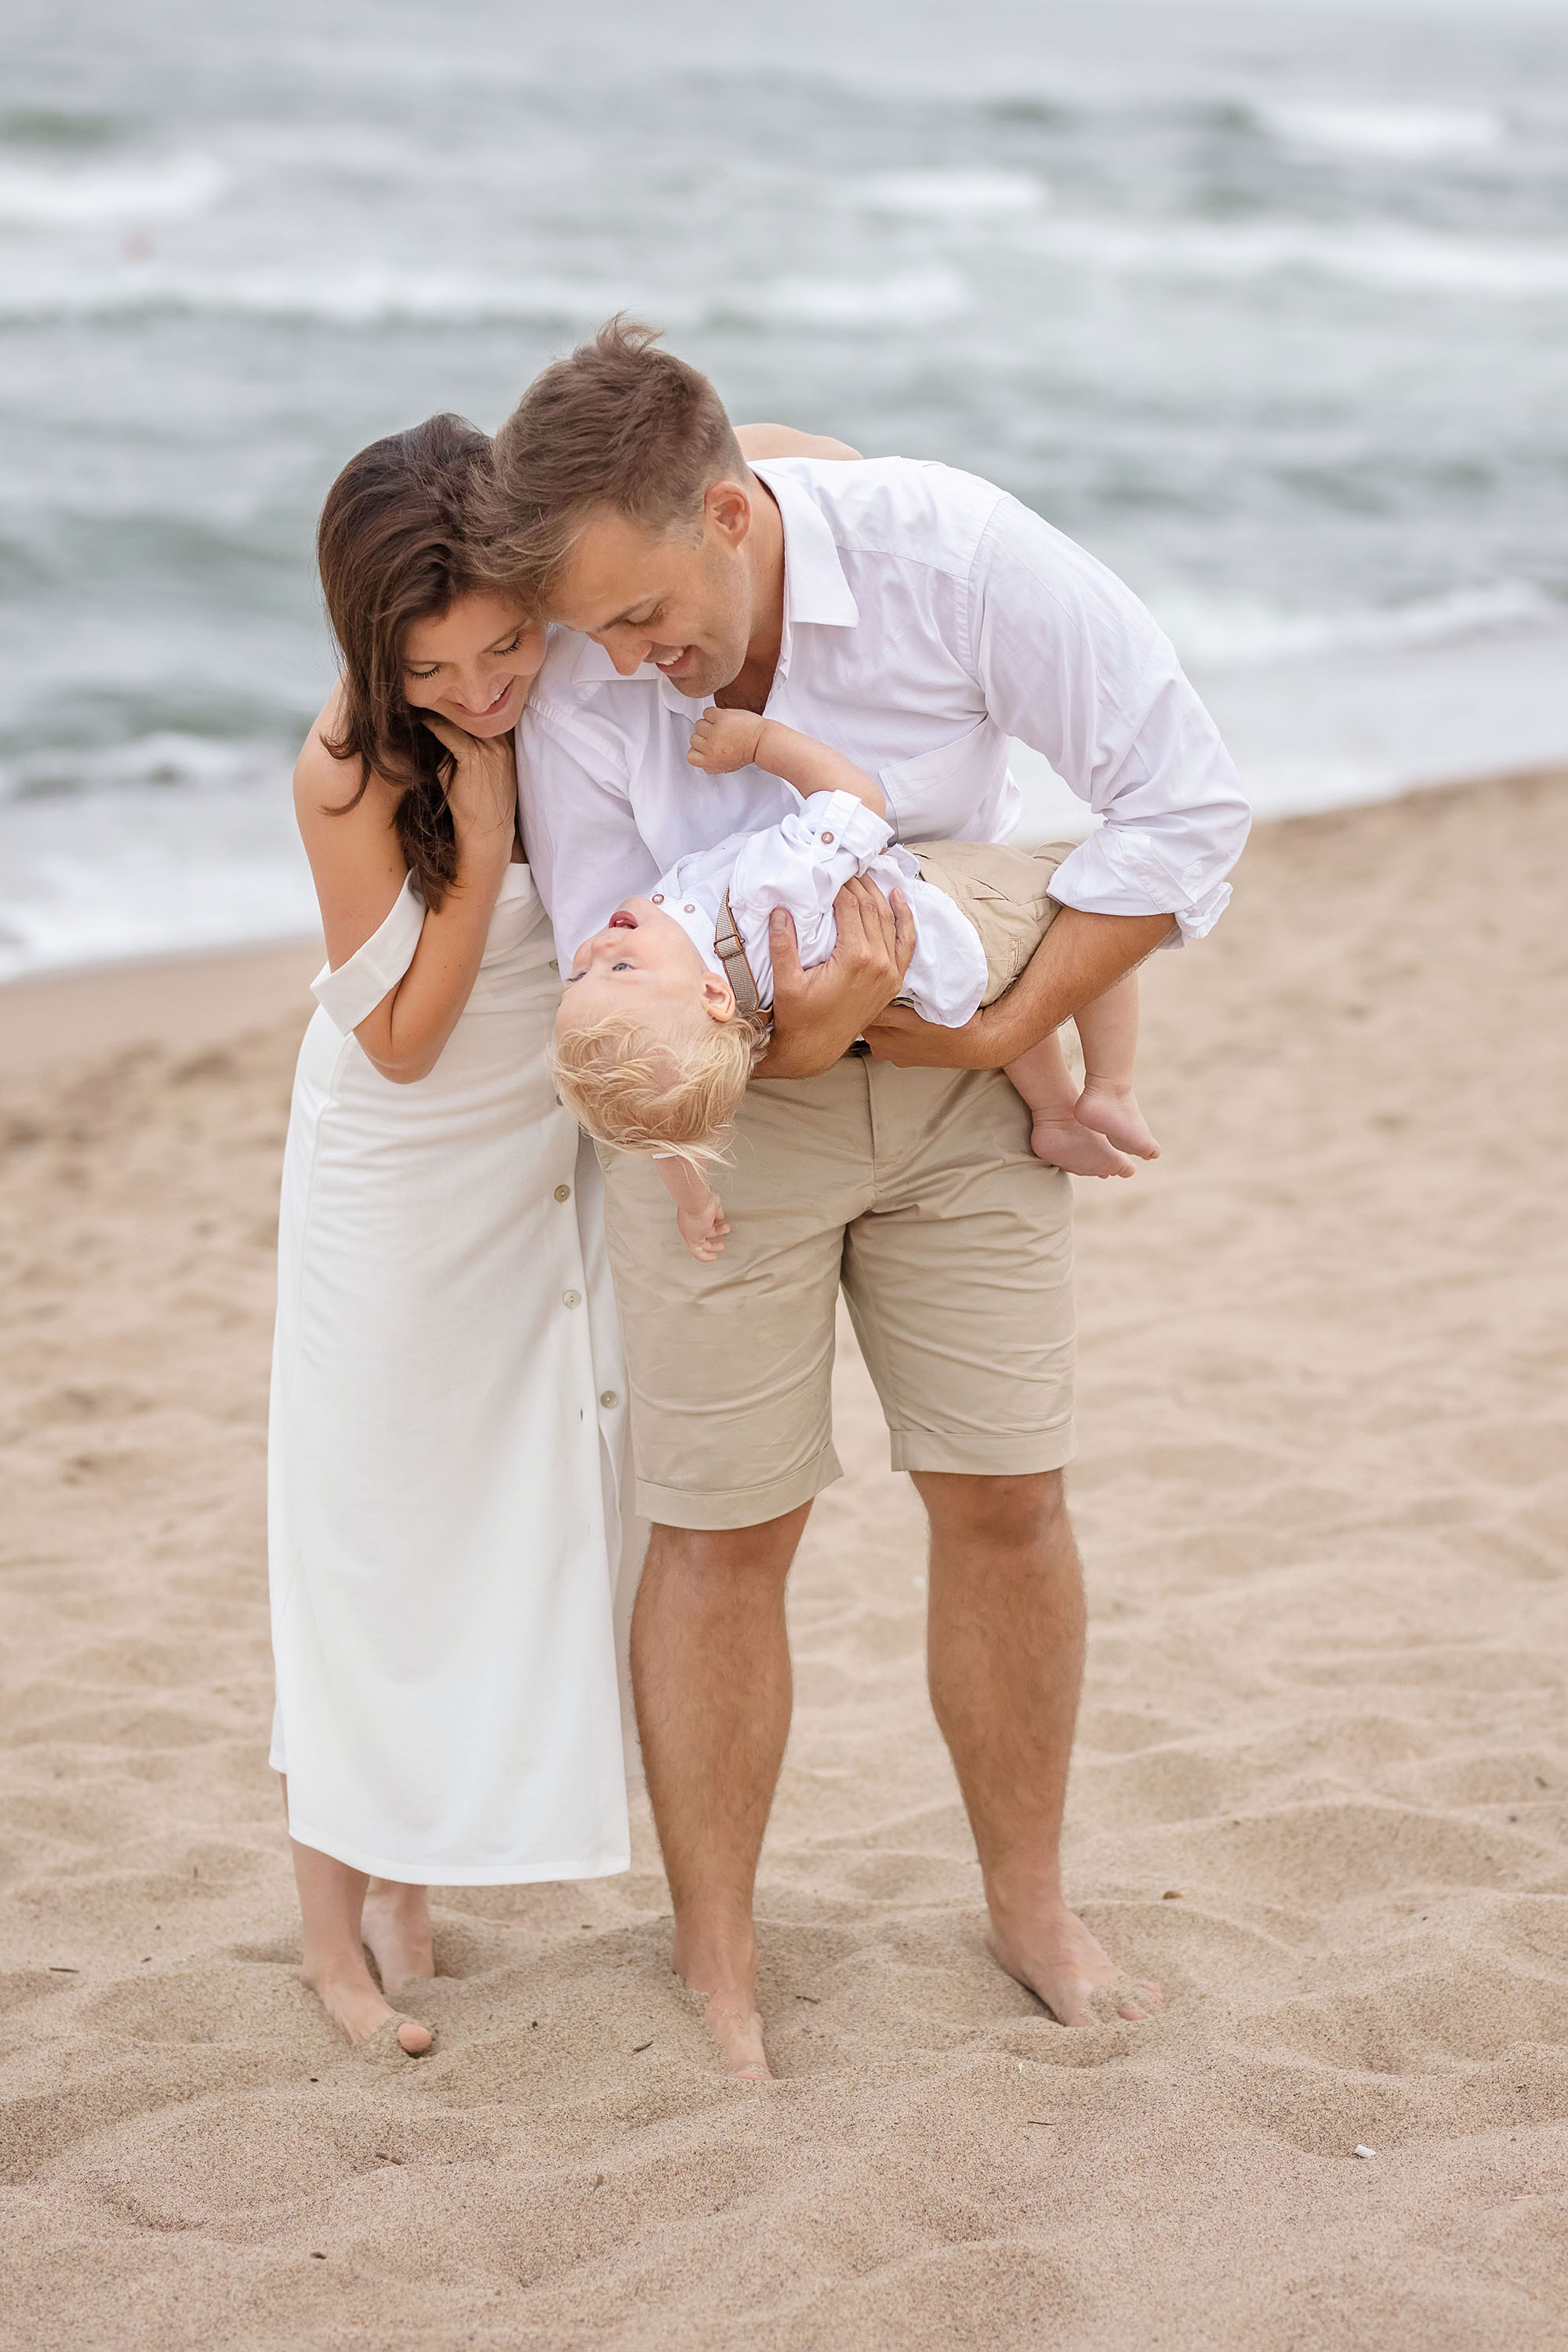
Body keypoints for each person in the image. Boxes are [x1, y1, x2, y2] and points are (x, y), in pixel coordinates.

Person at [492, 319, 1253, 2080]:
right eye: (592, 630)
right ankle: (717, 1953)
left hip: (958, 1081)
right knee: (723, 1533)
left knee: (1006, 1497)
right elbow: (616, 968)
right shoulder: (587, 671)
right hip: (714, 1126)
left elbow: (1183, 804)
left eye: (642, 613)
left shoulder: (953, 555)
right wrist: (789, 1038)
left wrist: (999, 1028)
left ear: (732, 512)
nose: (622, 659)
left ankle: (1031, 1906)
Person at [270, 408, 854, 2059]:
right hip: (399, 1166)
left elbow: (734, 452)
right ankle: (334, 1933)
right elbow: (404, 1031)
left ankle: (411, 1880)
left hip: (544, 1156)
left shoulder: (571, 672)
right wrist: (478, 797)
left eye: (505, 648)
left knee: (529, 1515)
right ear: (378, 655)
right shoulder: (356, 766)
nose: (483, 686)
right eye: (437, 667)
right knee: (368, 1531)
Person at [552, 706, 1156, 1263]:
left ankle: (1055, 1114)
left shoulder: (691, 1041)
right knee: (1094, 906)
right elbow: (858, 802)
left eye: (582, 974)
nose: (598, 947)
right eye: (619, 969)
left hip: (923, 994)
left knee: (1001, 985)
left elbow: (666, 1127)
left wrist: (693, 1204)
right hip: (955, 921)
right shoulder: (762, 894)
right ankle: (1110, 1087)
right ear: (712, 995)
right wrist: (764, 742)